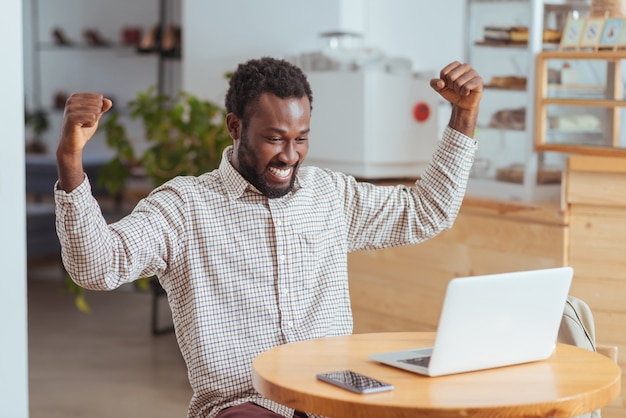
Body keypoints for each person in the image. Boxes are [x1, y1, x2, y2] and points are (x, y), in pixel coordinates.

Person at [55, 56, 483, 418]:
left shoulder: (331, 195)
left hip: (334, 395)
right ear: (235, 127)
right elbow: (98, 266)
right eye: (274, 139)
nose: (289, 155)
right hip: (246, 404)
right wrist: (71, 160)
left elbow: (427, 211)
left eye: (301, 139)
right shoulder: (185, 206)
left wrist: (463, 116)